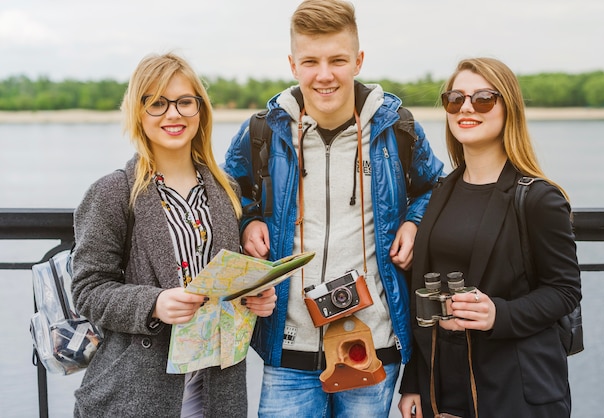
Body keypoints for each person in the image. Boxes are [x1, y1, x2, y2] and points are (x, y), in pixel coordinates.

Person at [223, 0, 444, 416]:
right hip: (287, 346)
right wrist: (248, 220)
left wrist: (414, 222)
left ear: (358, 61)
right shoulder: (262, 131)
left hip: (372, 345)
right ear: (292, 64)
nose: (324, 75)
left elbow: (437, 187)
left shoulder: (395, 128)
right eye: (311, 61)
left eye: (338, 60)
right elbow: (227, 190)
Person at [70, 52, 277, 418]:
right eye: (157, 103)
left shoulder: (226, 189)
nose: (173, 114)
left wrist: (253, 299)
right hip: (135, 395)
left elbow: (222, 288)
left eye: (184, 102)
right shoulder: (112, 193)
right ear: (138, 112)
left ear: (201, 110)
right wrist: (154, 303)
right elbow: (87, 291)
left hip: (217, 392)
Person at [398, 57, 582, 418]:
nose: (466, 107)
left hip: (516, 387)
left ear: (508, 108)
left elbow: (565, 291)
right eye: (455, 99)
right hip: (446, 387)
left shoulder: (539, 198)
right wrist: (414, 383)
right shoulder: (439, 193)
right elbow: (424, 304)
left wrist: (499, 313)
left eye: (483, 98)